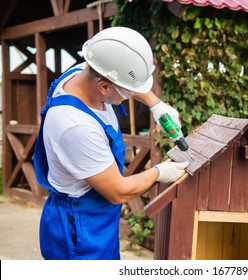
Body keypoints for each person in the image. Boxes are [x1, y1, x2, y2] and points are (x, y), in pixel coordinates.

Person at [33, 26, 189, 260]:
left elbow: (121, 79)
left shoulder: (85, 70)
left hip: (97, 218)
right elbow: (118, 191)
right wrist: (159, 172)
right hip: (79, 228)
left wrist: (156, 104)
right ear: (104, 87)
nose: (129, 96)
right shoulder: (76, 126)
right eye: (127, 93)